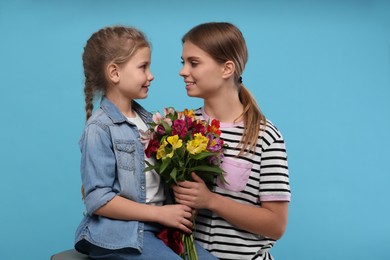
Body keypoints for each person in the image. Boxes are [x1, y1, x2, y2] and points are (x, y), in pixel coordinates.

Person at [74, 25, 217, 260]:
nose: (151, 75)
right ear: (114, 73)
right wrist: (160, 214)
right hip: (121, 235)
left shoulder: (151, 122)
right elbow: (98, 201)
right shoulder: (99, 128)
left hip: (160, 231)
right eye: (143, 67)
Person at [173, 22, 291, 260]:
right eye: (183, 62)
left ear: (227, 68)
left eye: (193, 63)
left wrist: (210, 200)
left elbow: (276, 225)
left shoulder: (265, 136)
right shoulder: (180, 127)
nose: (183, 71)